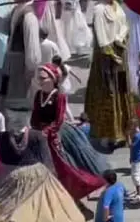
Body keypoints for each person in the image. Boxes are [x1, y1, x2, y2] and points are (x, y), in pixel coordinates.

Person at [32, 64, 106, 199]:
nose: (40, 81)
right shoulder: (39, 95)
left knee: (68, 162)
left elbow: (59, 118)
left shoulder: (59, 96)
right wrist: (34, 128)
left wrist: (48, 131)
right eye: (39, 79)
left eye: (43, 78)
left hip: (57, 132)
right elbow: (35, 114)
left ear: (52, 79)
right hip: (41, 132)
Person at [85, 0, 134, 148]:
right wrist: (111, 53)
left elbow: (124, 25)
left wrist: (120, 38)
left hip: (120, 52)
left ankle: (123, 131)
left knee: (122, 90)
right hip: (106, 58)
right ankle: (107, 134)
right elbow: (101, 36)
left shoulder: (116, 5)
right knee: (109, 93)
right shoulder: (99, 10)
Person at [0, 0, 42, 113]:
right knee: (6, 94)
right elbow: (5, 28)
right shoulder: (16, 10)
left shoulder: (29, 17)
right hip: (10, 60)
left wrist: (30, 67)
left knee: (19, 96)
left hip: (20, 62)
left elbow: (32, 45)